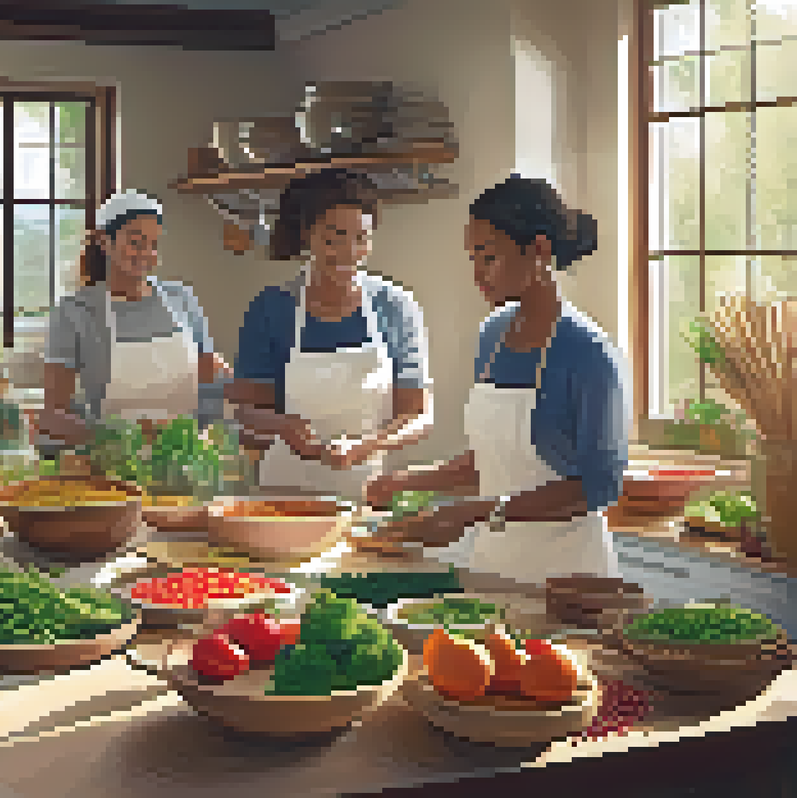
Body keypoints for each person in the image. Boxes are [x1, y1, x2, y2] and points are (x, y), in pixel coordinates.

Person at [366, 175, 630, 586]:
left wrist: (474, 512)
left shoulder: (589, 353)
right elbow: (492, 462)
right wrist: (407, 481)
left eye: (488, 257)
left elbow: (598, 488)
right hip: (493, 563)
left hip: (570, 576)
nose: (477, 275)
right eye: (472, 257)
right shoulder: (492, 336)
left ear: (539, 250)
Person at [227, 169, 433, 500]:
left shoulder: (396, 306)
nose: (348, 251)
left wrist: (366, 446)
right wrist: (284, 426)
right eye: (334, 237)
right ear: (307, 234)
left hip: (368, 492)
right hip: (282, 495)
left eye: (361, 238)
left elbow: (418, 415)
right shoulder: (271, 308)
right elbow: (246, 408)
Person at [38, 189, 231, 447]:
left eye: (153, 244)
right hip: (112, 467)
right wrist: (116, 440)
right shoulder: (75, 311)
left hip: (183, 463)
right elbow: (53, 415)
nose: (146, 253)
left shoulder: (180, 298)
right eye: (135, 242)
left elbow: (212, 374)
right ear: (105, 242)